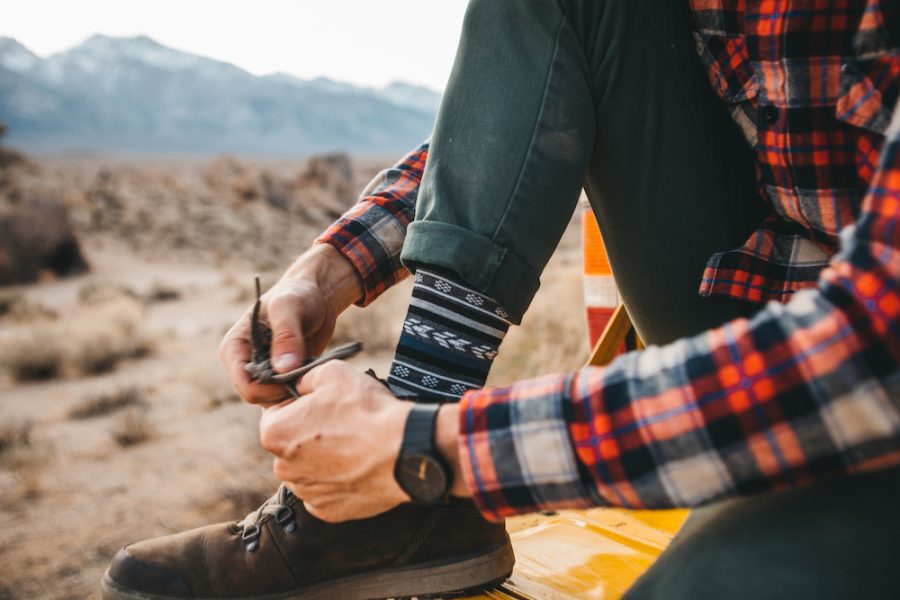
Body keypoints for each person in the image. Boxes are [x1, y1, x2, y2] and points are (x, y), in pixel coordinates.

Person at [101, 1, 900, 599]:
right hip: (753, 298)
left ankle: (417, 469)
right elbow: (542, 97)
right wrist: (330, 269)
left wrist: (431, 452)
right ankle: (408, 499)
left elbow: (874, 355)